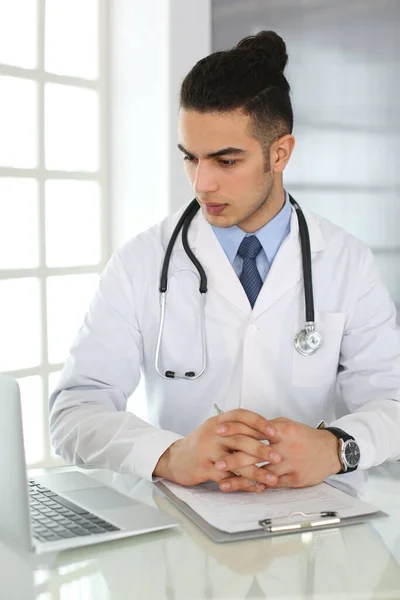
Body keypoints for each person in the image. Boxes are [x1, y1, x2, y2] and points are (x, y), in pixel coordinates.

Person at [50, 30, 400, 493]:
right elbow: (74, 412)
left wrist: (336, 448)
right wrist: (168, 455)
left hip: (315, 529)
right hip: (180, 528)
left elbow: (392, 399)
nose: (202, 184)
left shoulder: (346, 261)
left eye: (226, 161)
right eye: (191, 159)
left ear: (280, 152)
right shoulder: (141, 261)